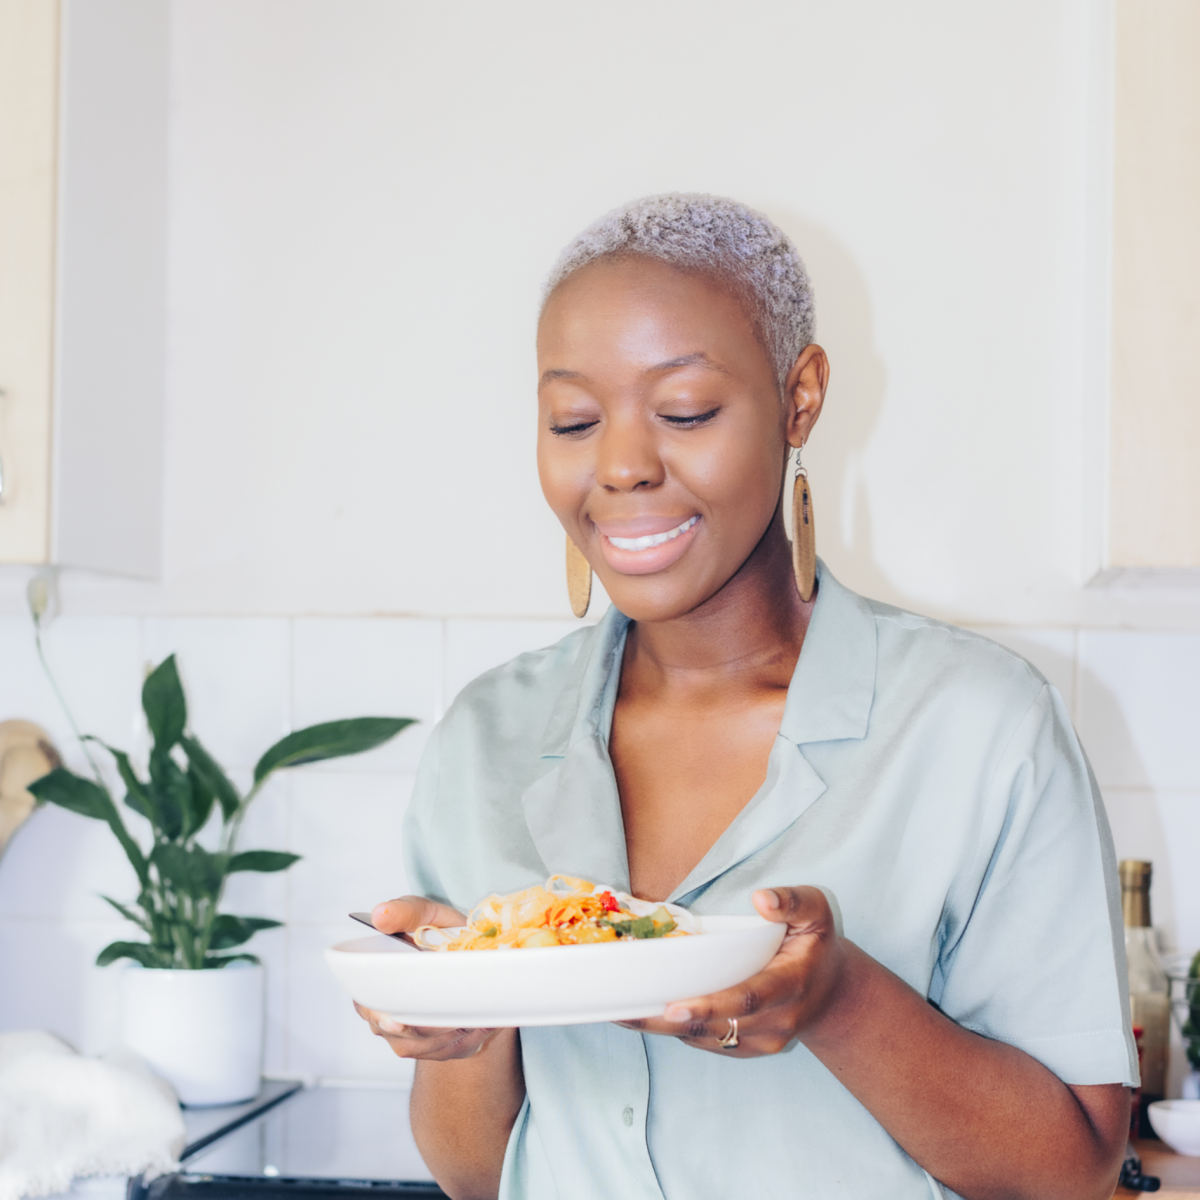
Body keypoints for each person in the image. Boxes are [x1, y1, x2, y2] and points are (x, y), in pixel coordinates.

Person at [355, 194, 1136, 1200]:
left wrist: (841, 1000)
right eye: (575, 421)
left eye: (684, 412)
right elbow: (473, 1175)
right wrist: (457, 1022)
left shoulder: (980, 728)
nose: (624, 466)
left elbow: (1073, 1172)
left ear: (800, 396)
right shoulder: (486, 741)